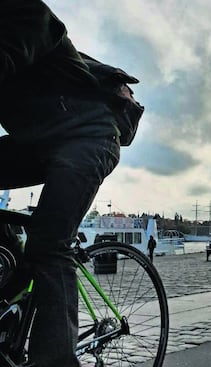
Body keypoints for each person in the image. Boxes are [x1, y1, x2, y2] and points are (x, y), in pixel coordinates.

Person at [0, 1, 123, 366]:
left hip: (87, 137)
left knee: (49, 244)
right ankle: (11, 284)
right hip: (36, 142)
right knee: (31, 251)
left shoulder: (24, 11)